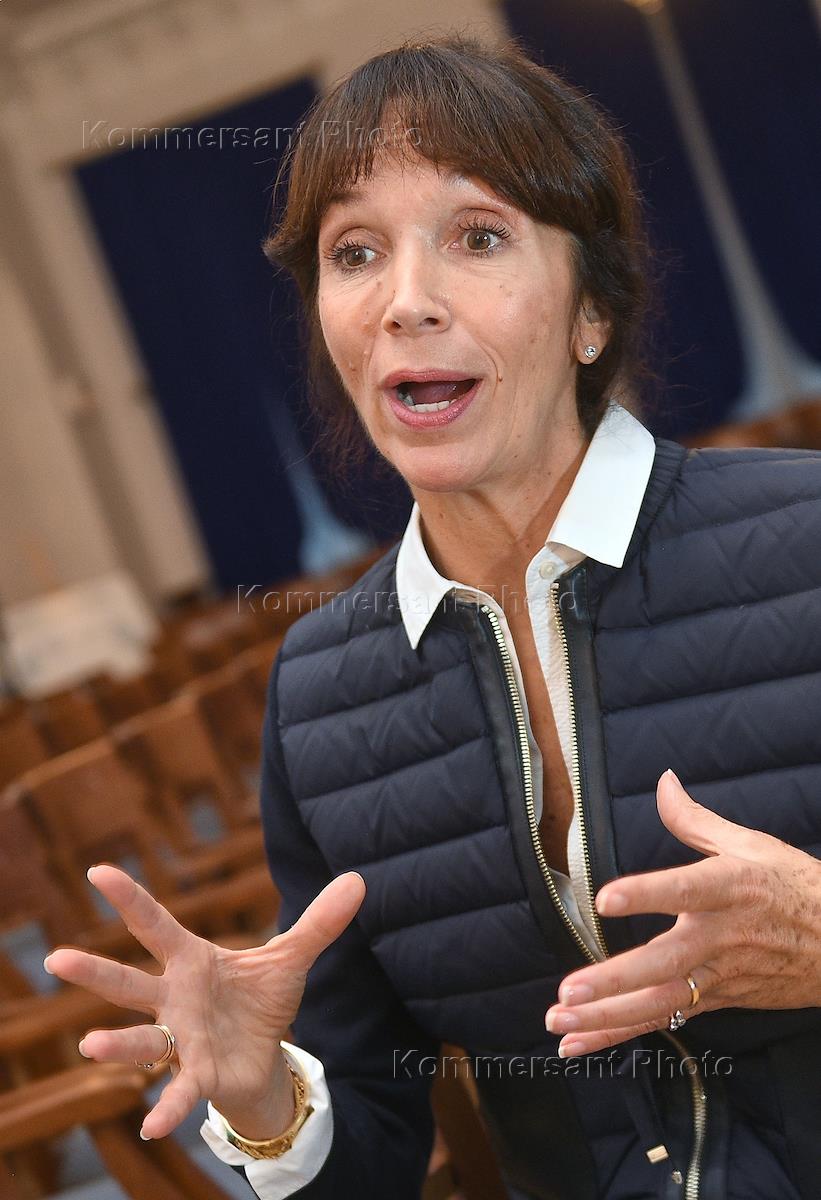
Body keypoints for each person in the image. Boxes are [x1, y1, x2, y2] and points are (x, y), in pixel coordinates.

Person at [44, 34, 821, 1200]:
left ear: (590, 310)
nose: (405, 302)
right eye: (354, 253)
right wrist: (269, 1104)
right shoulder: (322, 694)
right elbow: (370, 1151)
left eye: (478, 237)